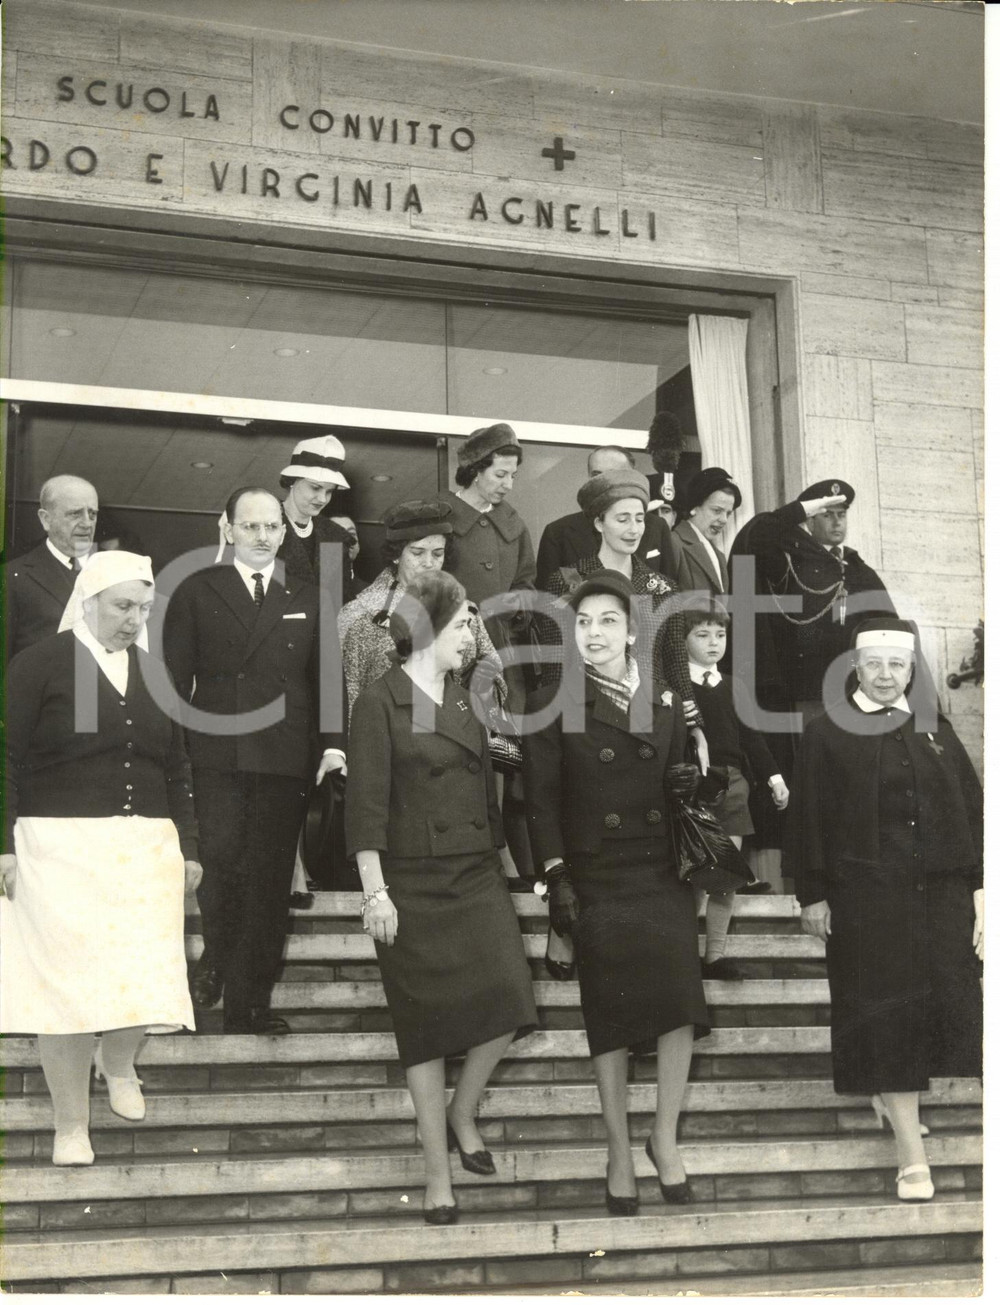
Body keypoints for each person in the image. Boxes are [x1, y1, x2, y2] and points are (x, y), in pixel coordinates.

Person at [346, 571, 538, 1224]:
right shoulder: (379, 701)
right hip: (410, 879)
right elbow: (365, 806)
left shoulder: (469, 698)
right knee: (424, 1031)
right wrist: (375, 892)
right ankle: (436, 1172)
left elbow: (491, 795)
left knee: (512, 999)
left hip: (475, 873)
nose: (472, 637)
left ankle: (462, 1109)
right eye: (463, 625)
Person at [1, 551, 201, 1166]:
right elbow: (5, 753)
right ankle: (70, 1124)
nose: (133, 619)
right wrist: (2, 844)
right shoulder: (39, 663)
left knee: (143, 972)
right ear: (87, 602)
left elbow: (177, 766)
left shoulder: (154, 671)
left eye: (143, 608)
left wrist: (189, 850)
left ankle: (117, 1064)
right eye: (122, 607)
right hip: (58, 850)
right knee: (65, 989)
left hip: (143, 848)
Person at [523, 570, 710, 1216]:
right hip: (596, 874)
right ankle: (620, 1150)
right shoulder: (554, 699)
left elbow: (675, 786)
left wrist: (686, 784)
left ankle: (663, 1136)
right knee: (609, 1012)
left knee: (681, 1000)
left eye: (607, 621)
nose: (594, 632)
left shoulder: (665, 699)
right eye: (583, 622)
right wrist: (555, 876)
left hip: (660, 871)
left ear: (634, 629)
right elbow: (540, 802)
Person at [784, 616, 983, 1203]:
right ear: (854, 666)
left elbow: (971, 813)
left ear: (911, 668)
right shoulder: (825, 733)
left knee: (944, 1005)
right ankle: (910, 1156)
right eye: (874, 664)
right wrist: (813, 892)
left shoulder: (935, 728)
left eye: (897, 665)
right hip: (867, 899)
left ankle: (891, 1101)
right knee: (887, 1014)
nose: (885, 676)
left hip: (940, 897)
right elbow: (808, 817)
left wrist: (981, 891)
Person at [162, 488, 346, 1035]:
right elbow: (173, 680)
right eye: (250, 527)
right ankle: (217, 958)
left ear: (283, 532)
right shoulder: (196, 590)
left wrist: (332, 745)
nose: (262, 536)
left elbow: (327, 681)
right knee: (219, 868)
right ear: (228, 528)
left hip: (284, 755)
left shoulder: (312, 594)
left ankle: (248, 1003)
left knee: (268, 881)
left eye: (271, 527)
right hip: (215, 752)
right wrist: (176, 754)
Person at [685, 603, 789, 976]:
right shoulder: (674, 685)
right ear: (682, 641)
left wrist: (775, 778)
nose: (714, 643)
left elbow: (753, 739)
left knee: (725, 877)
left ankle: (715, 956)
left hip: (733, 787)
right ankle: (681, 957)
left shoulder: (733, 686)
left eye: (720, 635)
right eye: (702, 635)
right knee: (693, 874)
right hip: (692, 789)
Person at [337, 499, 505, 718]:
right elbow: (346, 698)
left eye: (437, 553)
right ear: (396, 555)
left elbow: (494, 670)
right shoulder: (358, 615)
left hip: (455, 732)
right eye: (417, 553)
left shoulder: (467, 611)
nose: (429, 563)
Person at [535, 444, 681, 585]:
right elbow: (546, 601)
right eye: (596, 475)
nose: (603, 482)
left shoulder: (656, 526)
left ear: (632, 477)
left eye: (612, 474)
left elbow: (669, 593)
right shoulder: (558, 532)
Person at [4, 475, 99, 660]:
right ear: (46, 519)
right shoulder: (11, 578)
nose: (87, 523)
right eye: (75, 514)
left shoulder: (114, 568)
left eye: (92, 514)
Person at [276, 435, 357, 596]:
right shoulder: (262, 524)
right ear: (292, 481)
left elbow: (340, 600)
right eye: (315, 488)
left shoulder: (334, 536)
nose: (322, 499)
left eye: (329, 491)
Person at [673, 467, 741, 598]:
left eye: (728, 513)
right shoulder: (674, 543)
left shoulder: (718, 554)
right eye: (717, 511)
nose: (724, 520)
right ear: (694, 507)